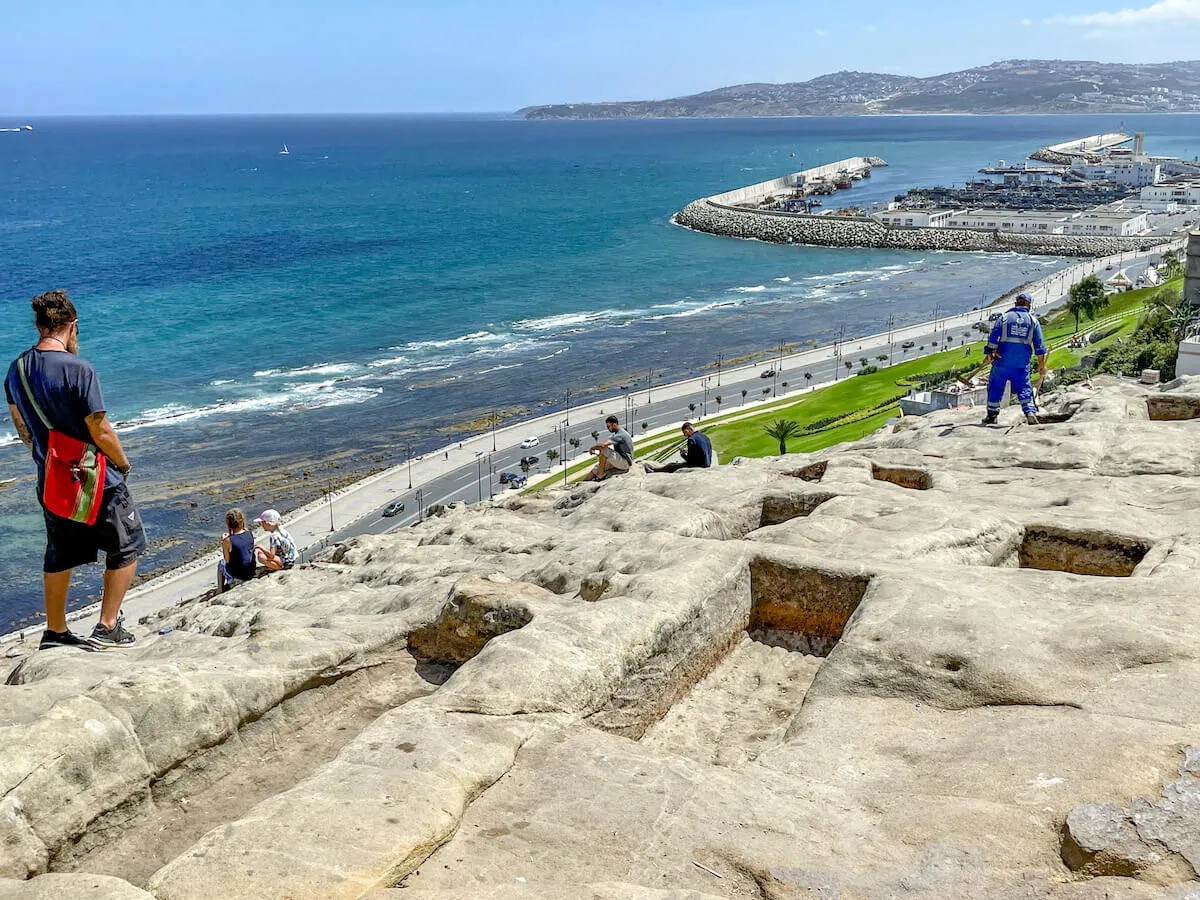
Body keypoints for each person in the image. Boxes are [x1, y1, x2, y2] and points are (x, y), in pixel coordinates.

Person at [4, 290, 145, 650]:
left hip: (51, 477)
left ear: (39, 326)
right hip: (95, 477)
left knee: (59, 551)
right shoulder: (80, 370)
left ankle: (55, 631)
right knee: (127, 543)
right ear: (73, 327)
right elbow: (100, 429)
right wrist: (123, 464)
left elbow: (21, 427)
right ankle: (107, 625)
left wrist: (44, 458)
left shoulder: (16, 369)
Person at [982, 292, 1047, 426]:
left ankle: (992, 415)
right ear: (1028, 305)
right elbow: (1039, 346)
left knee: (996, 386)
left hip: (1002, 361)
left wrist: (990, 353)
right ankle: (1029, 412)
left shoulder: (1004, 318)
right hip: (1021, 363)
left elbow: (993, 338)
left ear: (1016, 303)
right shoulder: (1033, 321)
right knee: (1024, 387)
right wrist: (1041, 365)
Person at [646, 423, 713, 474]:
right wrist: (689, 450)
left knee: (671, 466)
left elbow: (690, 461)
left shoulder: (691, 440)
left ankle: (654, 471)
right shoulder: (704, 436)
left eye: (684, 433)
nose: (685, 436)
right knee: (677, 464)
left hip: (699, 466)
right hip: (707, 464)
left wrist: (683, 455)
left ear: (687, 431)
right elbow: (703, 450)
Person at [217, 508, 257, 591]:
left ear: (228, 524)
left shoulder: (228, 540)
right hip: (251, 570)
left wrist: (223, 541)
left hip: (238, 574)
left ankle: (220, 589)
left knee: (221, 563)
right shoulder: (249, 533)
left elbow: (227, 560)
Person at [584, 415, 634, 481]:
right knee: (597, 467)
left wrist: (592, 448)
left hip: (625, 463)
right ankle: (584, 482)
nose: (608, 429)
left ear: (614, 424)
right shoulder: (620, 432)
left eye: (608, 426)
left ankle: (600, 475)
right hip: (620, 460)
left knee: (604, 450)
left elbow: (603, 446)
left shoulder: (620, 434)